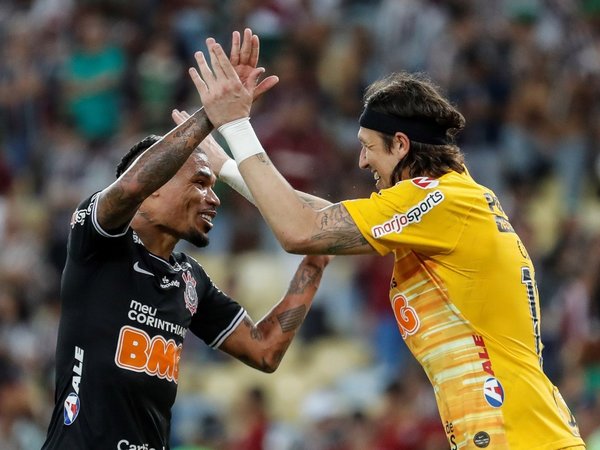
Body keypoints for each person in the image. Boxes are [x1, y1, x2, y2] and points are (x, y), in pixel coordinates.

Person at [188, 34, 586, 449]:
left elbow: (302, 230)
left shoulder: (441, 200)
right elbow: (321, 218)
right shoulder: (449, 204)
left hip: (518, 435)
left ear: (401, 144)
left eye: (368, 148)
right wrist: (229, 167)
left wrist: (237, 124)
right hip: (521, 431)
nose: (361, 162)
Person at [41, 30, 331, 450]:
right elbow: (127, 189)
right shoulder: (98, 243)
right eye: (200, 182)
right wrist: (211, 115)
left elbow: (265, 351)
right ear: (154, 190)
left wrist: (314, 264)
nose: (213, 198)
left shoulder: (189, 280)